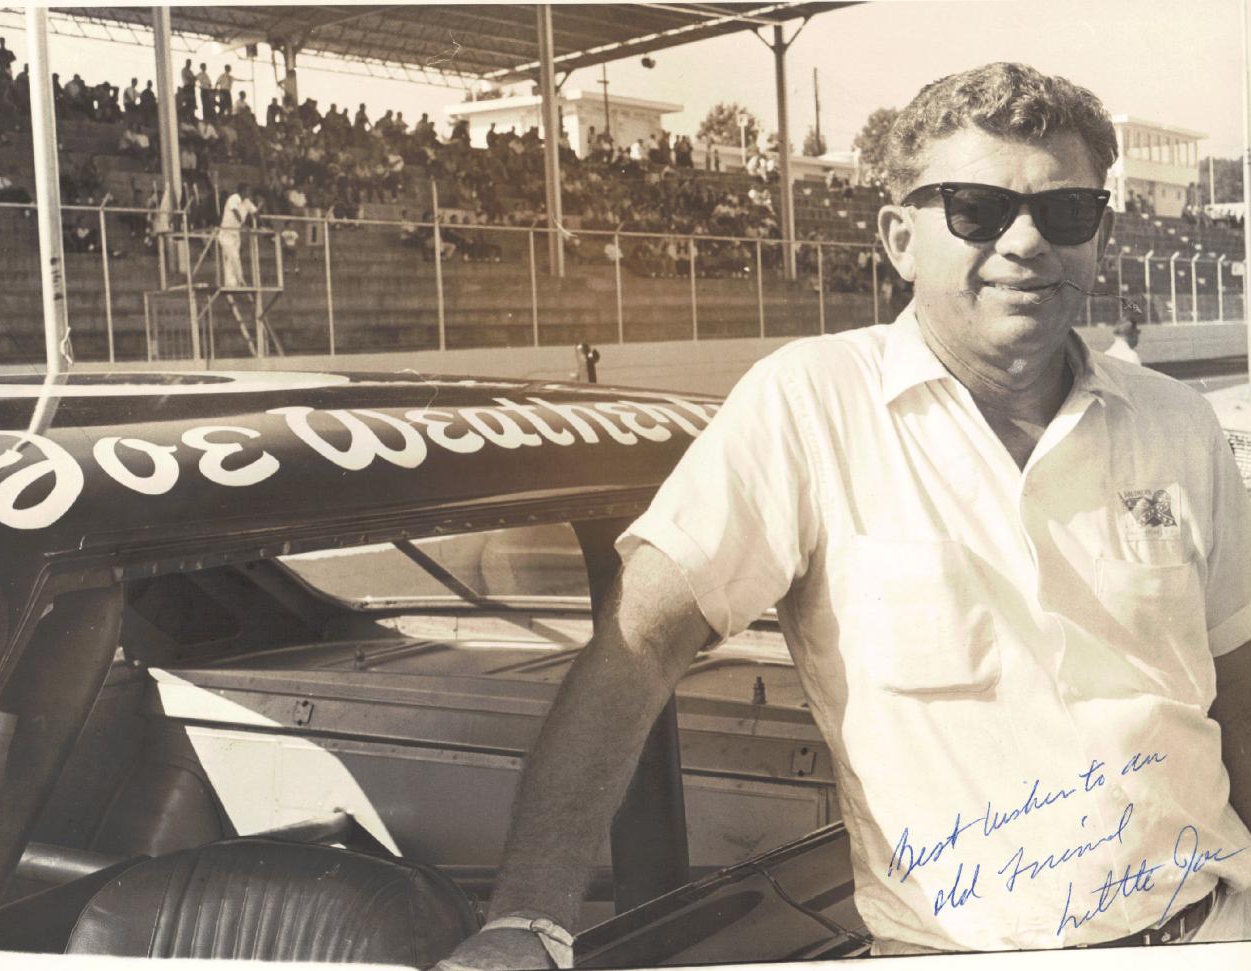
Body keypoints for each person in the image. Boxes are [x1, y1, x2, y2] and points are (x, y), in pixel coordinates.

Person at [437, 62, 1251, 969]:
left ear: (1100, 232)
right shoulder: (809, 403)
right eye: (977, 210)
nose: (1026, 242)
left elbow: (1239, 684)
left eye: (1065, 211)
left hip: (1214, 932)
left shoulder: (1178, 423)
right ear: (900, 239)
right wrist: (528, 919)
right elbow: (638, 645)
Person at [217, 182, 258, 288]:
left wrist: (263, 225)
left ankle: (231, 285)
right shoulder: (234, 198)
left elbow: (255, 213)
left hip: (236, 234)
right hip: (226, 233)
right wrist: (243, 225)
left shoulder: (247, 202)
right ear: (243, 191)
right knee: (234, 256)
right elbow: (236, 213)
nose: (250, 192)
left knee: (231, 260)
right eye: (248, 190)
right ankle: (241, 280)